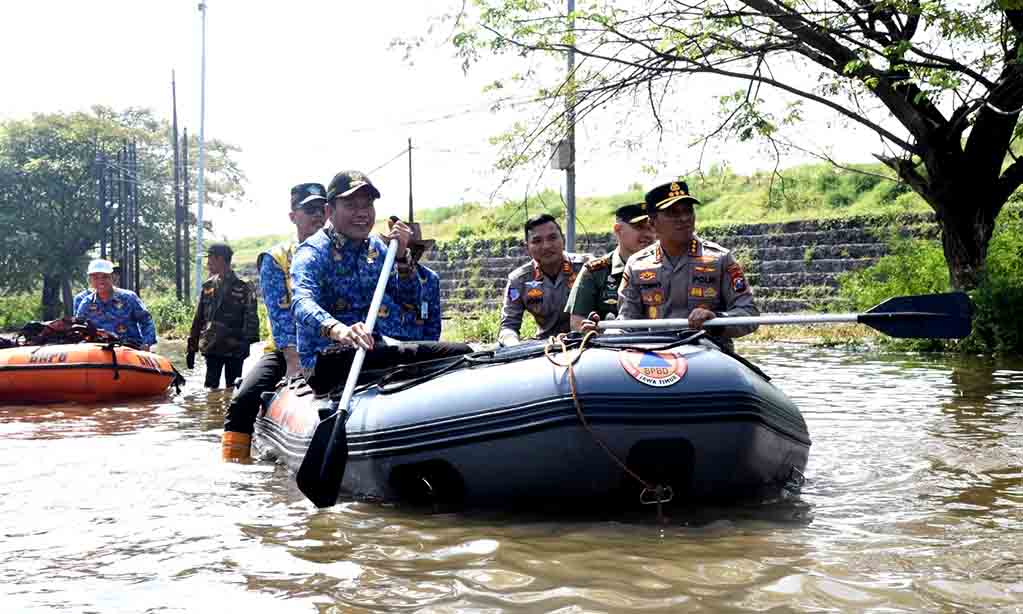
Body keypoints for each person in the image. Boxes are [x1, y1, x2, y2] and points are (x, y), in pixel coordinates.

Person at [291, 170, 470, 381]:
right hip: (328, 359)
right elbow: (301, 302)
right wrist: (338, 330)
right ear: (329, 211)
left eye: (367, 205)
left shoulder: (376, 248)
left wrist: (403, 259)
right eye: (351, 206)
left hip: (376, 349)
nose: (362, 213)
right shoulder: (313, 252)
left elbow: (409, 301)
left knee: (460, 352)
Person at [221, 183, 326, 461]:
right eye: (309, 210)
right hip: (287, 350)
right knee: (243, 399)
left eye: (321, 209)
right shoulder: (276, 258)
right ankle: (234, 465)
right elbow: (280, 316)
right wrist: (294, 362)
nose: (317, 215)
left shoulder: (341, 251)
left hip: (334, 345)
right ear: (293, 216)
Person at [585, 181, 758, 350]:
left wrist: (716, 321)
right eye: (673, 213)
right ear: (652, 224)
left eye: (687, 211)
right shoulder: (637, 264)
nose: (684, 218)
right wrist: (603, 334)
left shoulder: (720, 259)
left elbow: (749, 314)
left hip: (709, 358)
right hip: (653, 360)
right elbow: (628, 321)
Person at [497, 213, 591, 347]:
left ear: (562, 239)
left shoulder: (587, 268)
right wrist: (514, 345)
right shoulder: (519, 281)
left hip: (587, 342)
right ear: (527, 247)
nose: (546, 246)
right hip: (545, 347)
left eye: (552, 238)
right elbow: (508, 326)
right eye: (537, 241)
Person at [566, 203, 656, 331]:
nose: (648, 234)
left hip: (661, 345)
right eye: (640, 227)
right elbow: (577, 322)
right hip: (610, 347)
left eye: (651, 227)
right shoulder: (595, 271)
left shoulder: (664, 267)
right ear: (618, 230)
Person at [186, 242, 260, 389]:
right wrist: (191, 348)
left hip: (235, 347)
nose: (207, 263)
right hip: (212, 346)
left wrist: (246, 343)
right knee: (210, 390)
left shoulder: (243, 286)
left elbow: (251, 317)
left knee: (232, 389)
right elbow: (199, 318)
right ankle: (213, 412)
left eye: (210, 259)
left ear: (220, 259)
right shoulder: (208, 286)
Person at [377, 218, 442, 342]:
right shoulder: (378, 273)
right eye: (404, 247)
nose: (409, 252)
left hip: (417, 345)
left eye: (415, 248)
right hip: (385, 344)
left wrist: (427, 352)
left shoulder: (430, 278)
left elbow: (433, 325)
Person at [74, 258, 157, 350]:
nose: (100, 281)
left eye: (105, 277)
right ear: (90, 280)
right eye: (96, 277)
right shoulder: (86, 303)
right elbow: (79, 329)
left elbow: (146, 321)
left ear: (112, 277)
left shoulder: (129, 298)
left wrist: (146, 344)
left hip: (130, 348)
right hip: (98, 351)